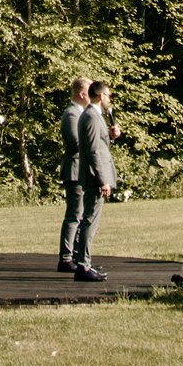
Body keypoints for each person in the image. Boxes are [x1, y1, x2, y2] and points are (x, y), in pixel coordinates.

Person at [69, 80, 119, 282]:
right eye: (108, 95)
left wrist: (113, 137)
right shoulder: (90, 116)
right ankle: (83, 265)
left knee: (89, 219)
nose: (110, 100)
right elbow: (92, 151)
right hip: (93, 178)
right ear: (100, 96)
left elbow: (100, 145)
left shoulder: (95, 117)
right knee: (89, 220)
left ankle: (84, 261)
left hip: (95, 176)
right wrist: (102, 180)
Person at [56, 76, 92, 271]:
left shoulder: (80, 113)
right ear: (82, 94)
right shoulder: (71, 114)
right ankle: (66, 258)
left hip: (81, 170)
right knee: (74, 215)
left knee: (81, 214)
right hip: (74, 171)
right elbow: (78, 143)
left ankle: (77, 256)